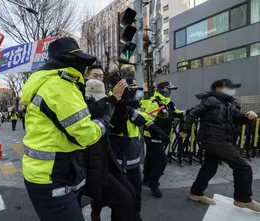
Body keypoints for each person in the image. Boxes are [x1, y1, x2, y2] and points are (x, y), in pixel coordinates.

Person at [20, 37, 112, 221]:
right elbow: (85, 134)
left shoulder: (44, 82)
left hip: (43, 172)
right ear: (68, 62)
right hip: (52, 177)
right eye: (80, 62)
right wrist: (105, 120)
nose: (83, 67)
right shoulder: (60, 85)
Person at [180, 79, 260, 212]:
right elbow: (193, 114)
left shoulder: (229, 103)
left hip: (220, 140)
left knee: (209, 167)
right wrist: (185, 130)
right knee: (243, 167)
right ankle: (243, 199)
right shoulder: (211, 100)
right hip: (215, 140)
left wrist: (247, 116)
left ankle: (196, 193)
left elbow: (238, 118)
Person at [110, 77, 165, 221]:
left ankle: (136, 214)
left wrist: (155, 128)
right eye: (132, 88)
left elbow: (143, 116)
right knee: (120, 196)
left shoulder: (131, 104)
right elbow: (115, 127)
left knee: (136, 190)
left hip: (133, 156)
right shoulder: (111, 104)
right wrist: (123, 107)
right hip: (118, 158)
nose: (135, 92)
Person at [84, 79, 139, 221]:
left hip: (107, 159)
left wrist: (121, 104)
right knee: (122, 199)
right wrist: (114, 100)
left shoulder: (109, 102)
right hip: (91, 164)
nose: (98, 77)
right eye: (95, 74)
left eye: (101, 75)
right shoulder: (87, 102)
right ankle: (95, 212)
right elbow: (94, 113)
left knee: (131, 192)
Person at [141, 81, 184, 198]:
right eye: (168, 89)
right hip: (152, 136)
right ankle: (153, 183)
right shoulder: (154, 103)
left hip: (163, 135)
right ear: (160, 90)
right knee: (161, 161)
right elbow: (146, 120)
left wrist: (185, 113)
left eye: (171, 90)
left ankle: (146, 179)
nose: (170, 92)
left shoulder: (169, 103)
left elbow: (175, 112)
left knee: (150, 158)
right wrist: (158, 132)